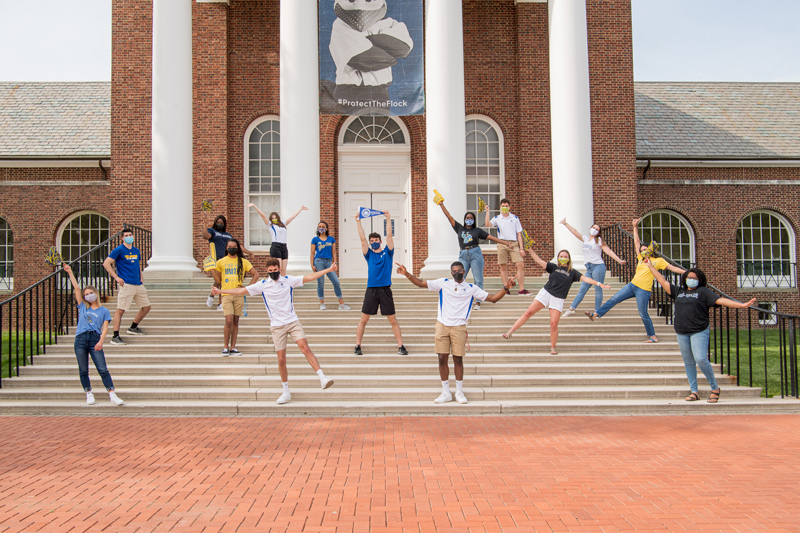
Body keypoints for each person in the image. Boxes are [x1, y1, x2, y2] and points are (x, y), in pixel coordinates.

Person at [213, 258, 336, 404]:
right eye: (270, 271)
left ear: (279, 269)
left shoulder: (288, 280)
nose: (273, 272)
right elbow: (241, 290)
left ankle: (322, 377)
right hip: (277, 326)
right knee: (281, 359)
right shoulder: (263, 285)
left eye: (275, 270)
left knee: (305, 348)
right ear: (267, 271)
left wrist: (328, 270)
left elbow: (309, 277)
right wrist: (220, 291)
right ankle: (285, 391)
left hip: (292, 322)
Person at [396, 261, 515, 404]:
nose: (456, 273)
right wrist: (406, 273)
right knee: (441, 358)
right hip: (442, 325)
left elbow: (492, 299)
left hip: (459, 327)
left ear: (464, 271)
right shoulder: (443, 283)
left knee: (458, 359)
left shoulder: (471, 288)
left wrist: (506, 288)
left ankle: (459, 392)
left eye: (459, 270)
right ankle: (446, 392)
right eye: (453, 271)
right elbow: (421, 283)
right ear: (451, 272)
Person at [645, 261, 756, 403]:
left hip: (699, 330)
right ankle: (694, 391)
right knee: (688, 362)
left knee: (701, 359)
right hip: (682, 331)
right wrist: (650, 266)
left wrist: (742, 305)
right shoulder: (679, 291)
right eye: (689, 277)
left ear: (700, 280)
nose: (692, 280)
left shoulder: (703, 292)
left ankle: (715, 388)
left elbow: (721, 300)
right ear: (685, 279)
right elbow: (662, 280)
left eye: (695, 278)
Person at [585, 218, 686, 343]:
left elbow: (672, 267)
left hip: (643, 290)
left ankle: (652, 336)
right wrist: (635, 227)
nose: (643, 251)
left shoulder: (658, 261)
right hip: (632, 285)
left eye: (645, 250)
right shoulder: (640, 258)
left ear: (650, 250)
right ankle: (596, 314)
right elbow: (636, 241)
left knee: (643, 313)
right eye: (642, 250)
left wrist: (686, 272)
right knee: (614, 299)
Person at [503, 248, 611, 354]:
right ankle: (510, 332)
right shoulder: (553, 267)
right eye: (561, 256)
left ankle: (553, 348)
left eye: (565, 257)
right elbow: (539, 261)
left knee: (553, 324)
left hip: (558, 298)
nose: (563, 258)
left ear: (568, 259)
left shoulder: (572, 272)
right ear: (558, 258)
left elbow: (586, 279)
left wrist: (599, 284)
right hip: (546, 292)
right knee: (528, 312)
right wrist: (531, 251)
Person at [62, 263, 124, 406]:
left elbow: (105, 328)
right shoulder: (83, 307)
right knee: (83, 369)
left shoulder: (104, 311)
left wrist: (101, 342)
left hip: (95, 338)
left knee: (102, 368)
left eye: (90, 293)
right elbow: (77, 288)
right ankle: (88, 393)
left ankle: (112, 394)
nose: (88, 295)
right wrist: (70, 272)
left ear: (95, 293)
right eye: (86, 294)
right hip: (81, 339)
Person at [354, 210, 408, 356]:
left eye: (376, 240)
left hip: (385, 289)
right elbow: (362, 239)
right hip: (371, 290)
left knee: (393, 319)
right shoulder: (369, 254)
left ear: (380, 241)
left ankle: (401, 346)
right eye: (372, 241)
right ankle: (358, 346)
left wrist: (388, 217)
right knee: (363, 319)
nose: (373, 242)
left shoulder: (387, 252)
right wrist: (358, 221)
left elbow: (389, 235)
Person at [436, 200, 506, 309]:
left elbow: (491, 238)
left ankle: (478, 301)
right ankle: (458, 297)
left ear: (474, 220)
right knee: (458, 276)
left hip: (475, 254)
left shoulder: (477, 231)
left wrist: (505, 242)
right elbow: (449, 216)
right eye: (467, 218)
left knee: (477, 278)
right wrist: (441, 204)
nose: (469, 220)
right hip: (463, 254)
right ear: (465, 220)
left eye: (471, 218)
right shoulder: (460, 228)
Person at [558, 218, 626, 317]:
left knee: (598, 289)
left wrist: (619, 260)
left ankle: (597, 312)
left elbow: (608, 251)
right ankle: (572, 308)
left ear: (598, 233)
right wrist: (565, 224)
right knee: (582, 289)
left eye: (597, 229)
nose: (594, 229)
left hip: (598, 266)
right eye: (593, 227)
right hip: (589, 268)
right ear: (590, 228)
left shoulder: (598, 240)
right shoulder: (586, 239)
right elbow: (575, 232)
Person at [103, 228, 151, 345]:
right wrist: (116, 277)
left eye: (130, 235)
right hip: (126, 284)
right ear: (122, 238)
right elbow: (106, 263)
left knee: (146, 307)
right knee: (121, 309)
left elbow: (137, 265)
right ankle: (115, 335)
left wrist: (141, 276)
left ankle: (133, 327)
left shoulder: (136, 250)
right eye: (126, 235)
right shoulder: (119, 250)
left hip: (137, 284)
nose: (129, 236)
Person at [213, 238, 259, 356]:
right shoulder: (221, 261)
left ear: (237, 248)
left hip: (239, 294)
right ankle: (225, 346)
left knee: (235, 321)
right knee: (228, 320)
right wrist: (212, 270)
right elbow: (218, 280)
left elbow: (256, 274)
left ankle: (233, 347)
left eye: (234, 246)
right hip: (226, 294)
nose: (232, 248)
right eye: (230, 246)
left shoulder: (242, 261)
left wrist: (247, 288)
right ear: (226, 248)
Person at [202, 213, 254, 310]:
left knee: (222, 282)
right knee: (219, 281)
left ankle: (219, 302)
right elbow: (205, 236)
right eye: (218, 222)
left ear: (224, 224)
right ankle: (213, 296)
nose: (219, 224)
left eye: (221, 223)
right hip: (217, 259)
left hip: (227, 259)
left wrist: (249, 253)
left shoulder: (227, 235)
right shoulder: (212, 231)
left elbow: (237, 246)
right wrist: (204, 224)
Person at [247, 203, 308, 276]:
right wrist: (254, 206)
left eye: (275, 217)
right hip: (276, 247)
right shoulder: (270, 225)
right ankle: (276, 283)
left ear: (278, 218)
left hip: (284, 247)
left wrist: (300, 209)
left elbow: (292, 217)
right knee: (279, 267)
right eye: (272, 218)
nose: (274, 219)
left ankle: (283, 284)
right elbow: (263, 216)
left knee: (284, 268)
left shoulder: (283, 224)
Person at [485, 198, 530, 295]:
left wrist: (521, 248)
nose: (505, 208)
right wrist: (487, 212)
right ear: (500, 207)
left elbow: (519, 234)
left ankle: (521, 290)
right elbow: (488, 225)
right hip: (502, 243)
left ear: (509, 207)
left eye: (506, 206)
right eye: (503, 206)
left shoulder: (515, 218)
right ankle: (506, 289)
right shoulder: (497, 218)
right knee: (503, 266)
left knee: (520, 264)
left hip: (513, 243)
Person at [310, 221, 351, 311]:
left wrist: (334, 263)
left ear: (327, 228)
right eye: (319, 226)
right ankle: (322, 303)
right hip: (318, 261)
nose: (321, 228)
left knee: (336, 282)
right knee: (320, 283)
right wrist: (312, 265)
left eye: (323, 226)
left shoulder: (331, 239)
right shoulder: (315, 239)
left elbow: (334, 252)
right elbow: (312, 253)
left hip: (329, 262)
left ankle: (341, 304)